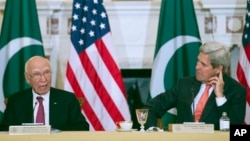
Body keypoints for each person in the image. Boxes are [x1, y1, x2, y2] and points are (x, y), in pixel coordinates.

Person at [145, 41, 246, 130]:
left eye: (203, 64)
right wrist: (152, 130)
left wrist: (220, 98)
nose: (197, 67)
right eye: (198, 61)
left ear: (218, 68)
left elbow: (235, 128)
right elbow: (152, 107)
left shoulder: (236, 91)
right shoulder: (184, 84)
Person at [0, 56, 89, 131]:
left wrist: (53, 131)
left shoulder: (68, 99)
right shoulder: (16, 101)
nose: (43, 79)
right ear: (27, 78)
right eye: (37, 74)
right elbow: (4, 130)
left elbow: (83, 128)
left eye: (47, 72)